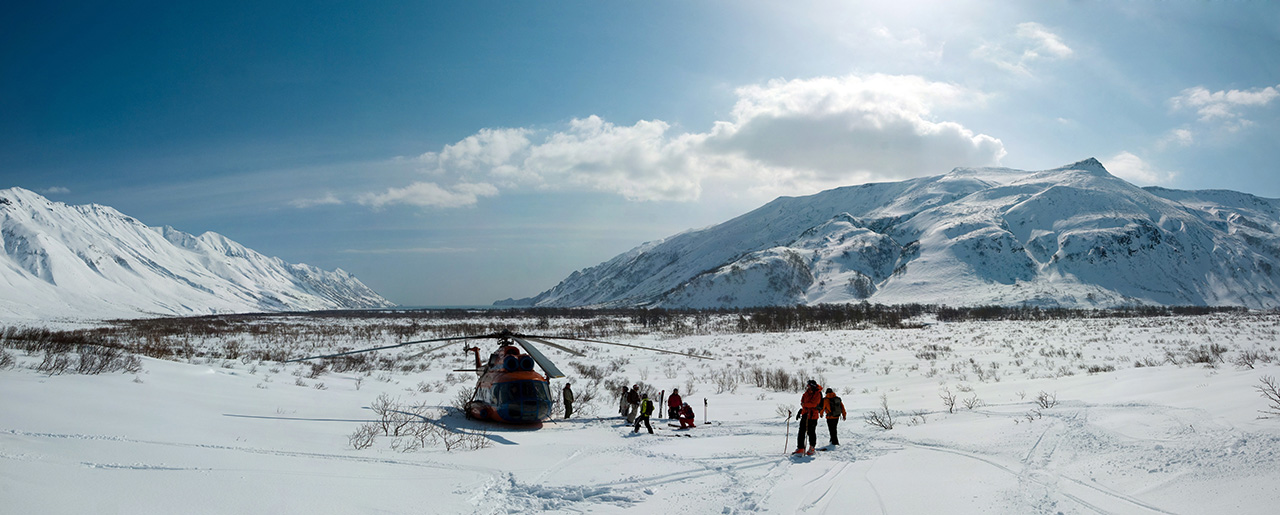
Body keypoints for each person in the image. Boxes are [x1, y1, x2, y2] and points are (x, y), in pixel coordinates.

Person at [794, 380, 823, 455]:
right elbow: (802, 401)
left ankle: (812, 448)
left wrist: (805, 405)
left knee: (811, 432)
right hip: (805, 414)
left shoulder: (818, 393)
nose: (807, 386)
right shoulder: (807, 393)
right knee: (801, 432)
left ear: (812, 385)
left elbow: (814, 404)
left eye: (809, 385)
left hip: (813, 416)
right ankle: (800, 448)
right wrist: (805, 406)